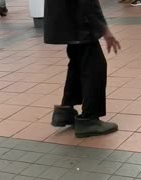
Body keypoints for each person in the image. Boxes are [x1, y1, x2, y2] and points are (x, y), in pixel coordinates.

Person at [44, 0, 121, 138]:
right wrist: (104, 29)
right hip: (79, 19)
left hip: (66, 16)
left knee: (77, 61)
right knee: (95, 66)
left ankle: (66, 110)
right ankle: (89, 119)